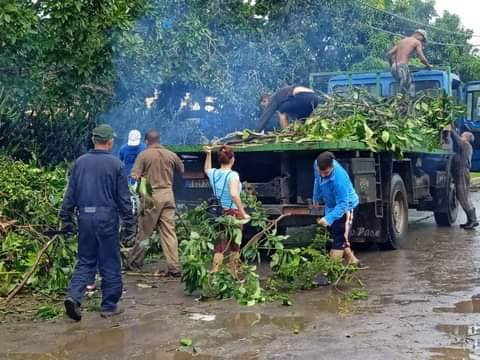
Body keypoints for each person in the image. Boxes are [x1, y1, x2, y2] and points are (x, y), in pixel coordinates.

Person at [60, 124, 136, 321]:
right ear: (110, 142)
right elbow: (123, 198)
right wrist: (130, 224)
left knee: (85, 260)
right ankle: (109, 305)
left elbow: (70, 194)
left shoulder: (79, 162)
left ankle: (74, 296)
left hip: (84, 217)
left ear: (94, 140)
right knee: (109, 261)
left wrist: (66, 219)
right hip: (106, 218)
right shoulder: (115, 164)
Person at [127, 129, 184, 276]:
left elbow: (134, 175)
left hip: (149, 195)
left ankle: (135, 262)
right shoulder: (171, 154)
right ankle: (174, 267)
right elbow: (181, 170)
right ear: (159, 139)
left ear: (146, 141)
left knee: (145, 232)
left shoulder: (144, 155)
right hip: (168, 194)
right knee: (169, 232)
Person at [203, 145, 250, 277]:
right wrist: (243, 212)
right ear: (232, 160)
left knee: (219, 243)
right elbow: (234, 195)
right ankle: (234, 274)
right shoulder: (233, 175)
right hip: (232, 213)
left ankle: (215, 272)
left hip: (217, 213)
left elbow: (206, 169)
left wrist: (208, 154)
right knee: (235, 244)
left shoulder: (213, 173)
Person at [312, 151, 361, 265]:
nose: (323, 175)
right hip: (331, 206)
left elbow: (343, 205)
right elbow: (317, 180)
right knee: (336, 235)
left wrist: (329, 218)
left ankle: (329, 272)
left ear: (332, 167)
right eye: (321, 172)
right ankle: (353, 261)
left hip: (346, 208)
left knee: (338, 239)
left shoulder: (340, 179)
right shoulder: (316, 165)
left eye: (326, 173)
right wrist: (316, 196)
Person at [255, 85, 321, 132]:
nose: (264, 108)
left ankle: (286, 133)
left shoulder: (274, 98)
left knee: (281, 112)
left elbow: (265, 117)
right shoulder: (284, 97)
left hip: (304, 96)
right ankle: (303, 132)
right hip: (315, 99)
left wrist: (255, 132)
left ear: (265, 100)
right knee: (301, 119)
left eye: (264, 106)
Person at [387, 29, 432, 95]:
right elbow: (422, 59)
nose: (421, 41)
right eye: (422, 39)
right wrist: (428, 65)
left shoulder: (402, 41)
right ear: (419, 34)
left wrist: (392, 65)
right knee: (409, 89)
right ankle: (406, 104)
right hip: (402, 67)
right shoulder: (416, 42)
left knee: (401, 89)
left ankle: (399, 102)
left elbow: (389, 54)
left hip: (394, 68)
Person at [451, 128, 478, 229]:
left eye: (462, 136)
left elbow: (458, 140)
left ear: (466, 138)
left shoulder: (466, 145)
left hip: (462, 172)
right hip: (462, 172)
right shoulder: (466, 147)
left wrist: (451, 130)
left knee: (463, 196)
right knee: (462, 196)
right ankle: (470, 220)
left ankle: (473, 220)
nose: (461, 137)